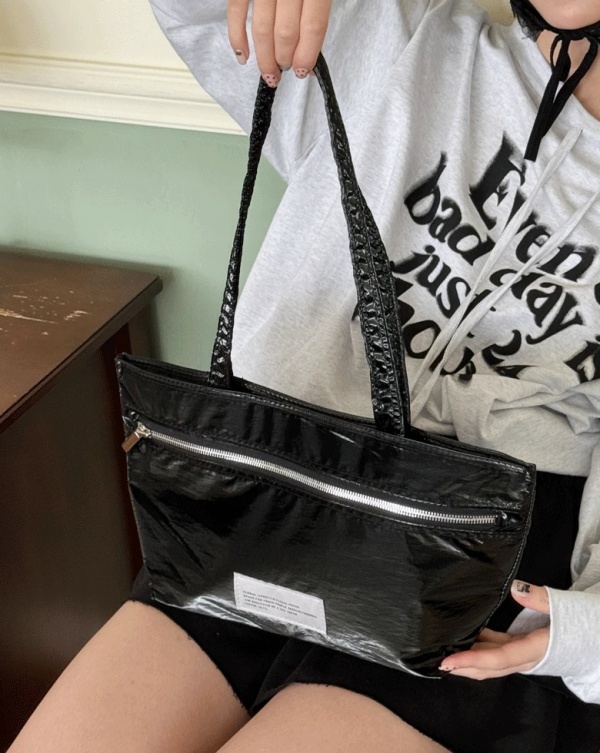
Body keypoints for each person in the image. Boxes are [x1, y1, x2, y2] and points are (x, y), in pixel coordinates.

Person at [8, 0, 600, 751]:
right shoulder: (404, 40)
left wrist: (584, 631)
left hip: (487, 569)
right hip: (273, 494)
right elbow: (199, 12)